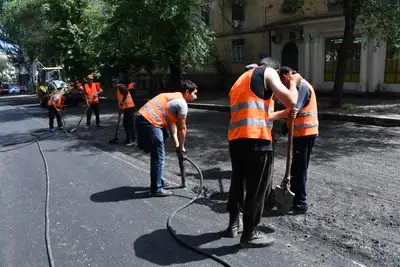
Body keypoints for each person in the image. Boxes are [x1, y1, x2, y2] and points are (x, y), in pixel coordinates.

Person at [226, 57, 302, 248]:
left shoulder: (241, 81)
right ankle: (250, 234)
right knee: (256, 190)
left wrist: (283, 113)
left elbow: (264, 115)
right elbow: (292, 100)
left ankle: (234, 222)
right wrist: (294, 83)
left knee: (237, 183)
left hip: (237, 140)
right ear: (275, 71)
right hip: (257, 142)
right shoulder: (267, 73)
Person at [135, 80, 198, 197]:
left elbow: (172, 126)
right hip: (149, 122)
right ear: (187, 92)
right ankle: (156, 189)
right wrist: (182, 146)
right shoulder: (182, 103)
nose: (196, 97)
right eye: (194, 94)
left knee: (159, 150)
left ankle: (158, 181)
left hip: (145, 120)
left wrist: (177, 144)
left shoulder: (173, 98)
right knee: (158, 155)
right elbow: (182, 128)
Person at [269, 66, 319, 214]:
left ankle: (301, 204)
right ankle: (296, 200)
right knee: (296, 168)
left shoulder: (302, 87)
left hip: (305, 133)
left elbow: (294, 109)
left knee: (299, 169)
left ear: (286, 77)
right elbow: (292, 115)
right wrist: (282, 131)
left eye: (281, 81)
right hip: (301, 133)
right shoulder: (298, 87)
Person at [112, 79, 136, 146]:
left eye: (113, 84)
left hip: (130, 107)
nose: (113, 85)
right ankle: (128, 139)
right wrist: (120, 109)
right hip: (125, 108)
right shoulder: (117, 89)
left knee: (130, 124)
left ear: (115, 84)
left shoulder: (121, 86)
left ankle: (133, 140)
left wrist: (123, 100)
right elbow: (119, 100)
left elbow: (125, 92)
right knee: (125, 124)